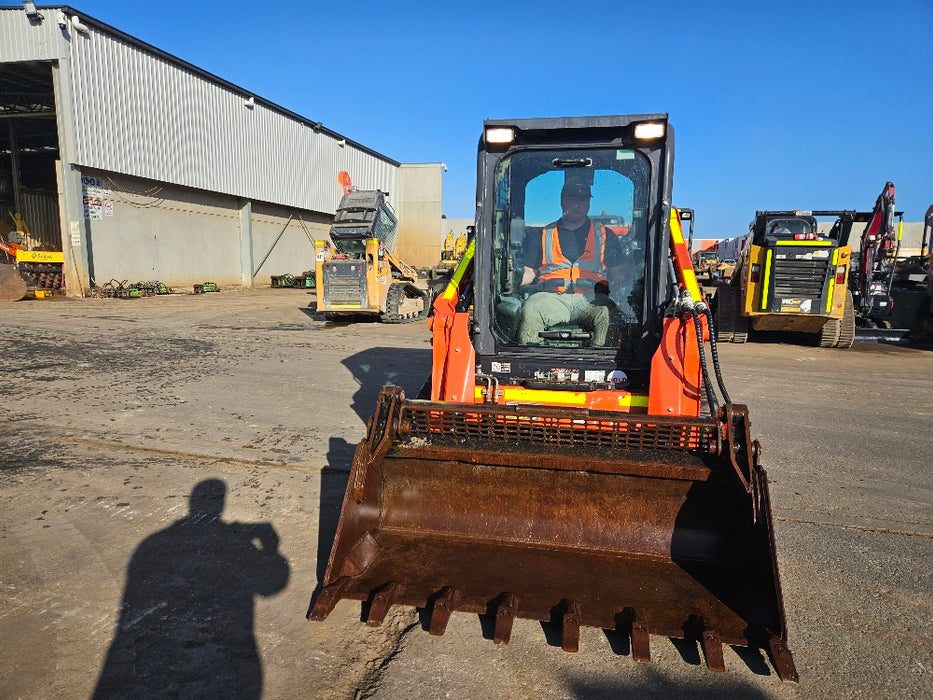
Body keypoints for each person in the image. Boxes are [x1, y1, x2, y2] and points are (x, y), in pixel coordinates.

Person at [517, 181, 627, 345]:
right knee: (531, 309)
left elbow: (618, 274)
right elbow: (529, 271)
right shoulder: (544, 233)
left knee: (605, 314)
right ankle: (529, 360)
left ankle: (598, 361)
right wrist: (514, 284)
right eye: (572, 198)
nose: (578, 205)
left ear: (589, 203)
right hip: (551, 297)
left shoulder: (605, 235)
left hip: (590, 298)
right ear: (562, 200)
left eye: (583, 199)